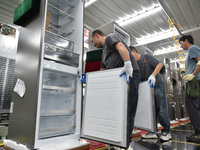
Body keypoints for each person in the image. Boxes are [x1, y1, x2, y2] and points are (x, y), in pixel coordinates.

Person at [91, 30, 140, 150]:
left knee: (128, 110)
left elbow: (121, 46)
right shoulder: (104, 53)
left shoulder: (110, 37)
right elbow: (103, 70)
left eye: (93, 41)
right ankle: (116, 139)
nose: (93, 44)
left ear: (97, 35)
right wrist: (93, 82)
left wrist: (128, 64)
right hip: (118, 79)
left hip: (130, 74)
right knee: (116, 110)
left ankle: (125, 144)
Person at [129, 46, 171, 141]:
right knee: (151, 110)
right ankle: (153, 131)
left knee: (161, 108)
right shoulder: (134, 64)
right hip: (146, 88)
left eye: (130, 54)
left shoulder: (146, 57)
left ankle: (167, 132)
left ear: (134, 51)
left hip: (156, 85)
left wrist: (153, 75)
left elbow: (160, 64)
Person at [179, 34, 200, 142]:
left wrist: (192, 75)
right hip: (194, 81)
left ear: (186, 41)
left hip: (194, 82)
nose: (180, 46)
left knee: (192, 107)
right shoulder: (191, 51)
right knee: (196, 106)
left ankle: (198, 133)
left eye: (181, 43)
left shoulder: (192, 48)